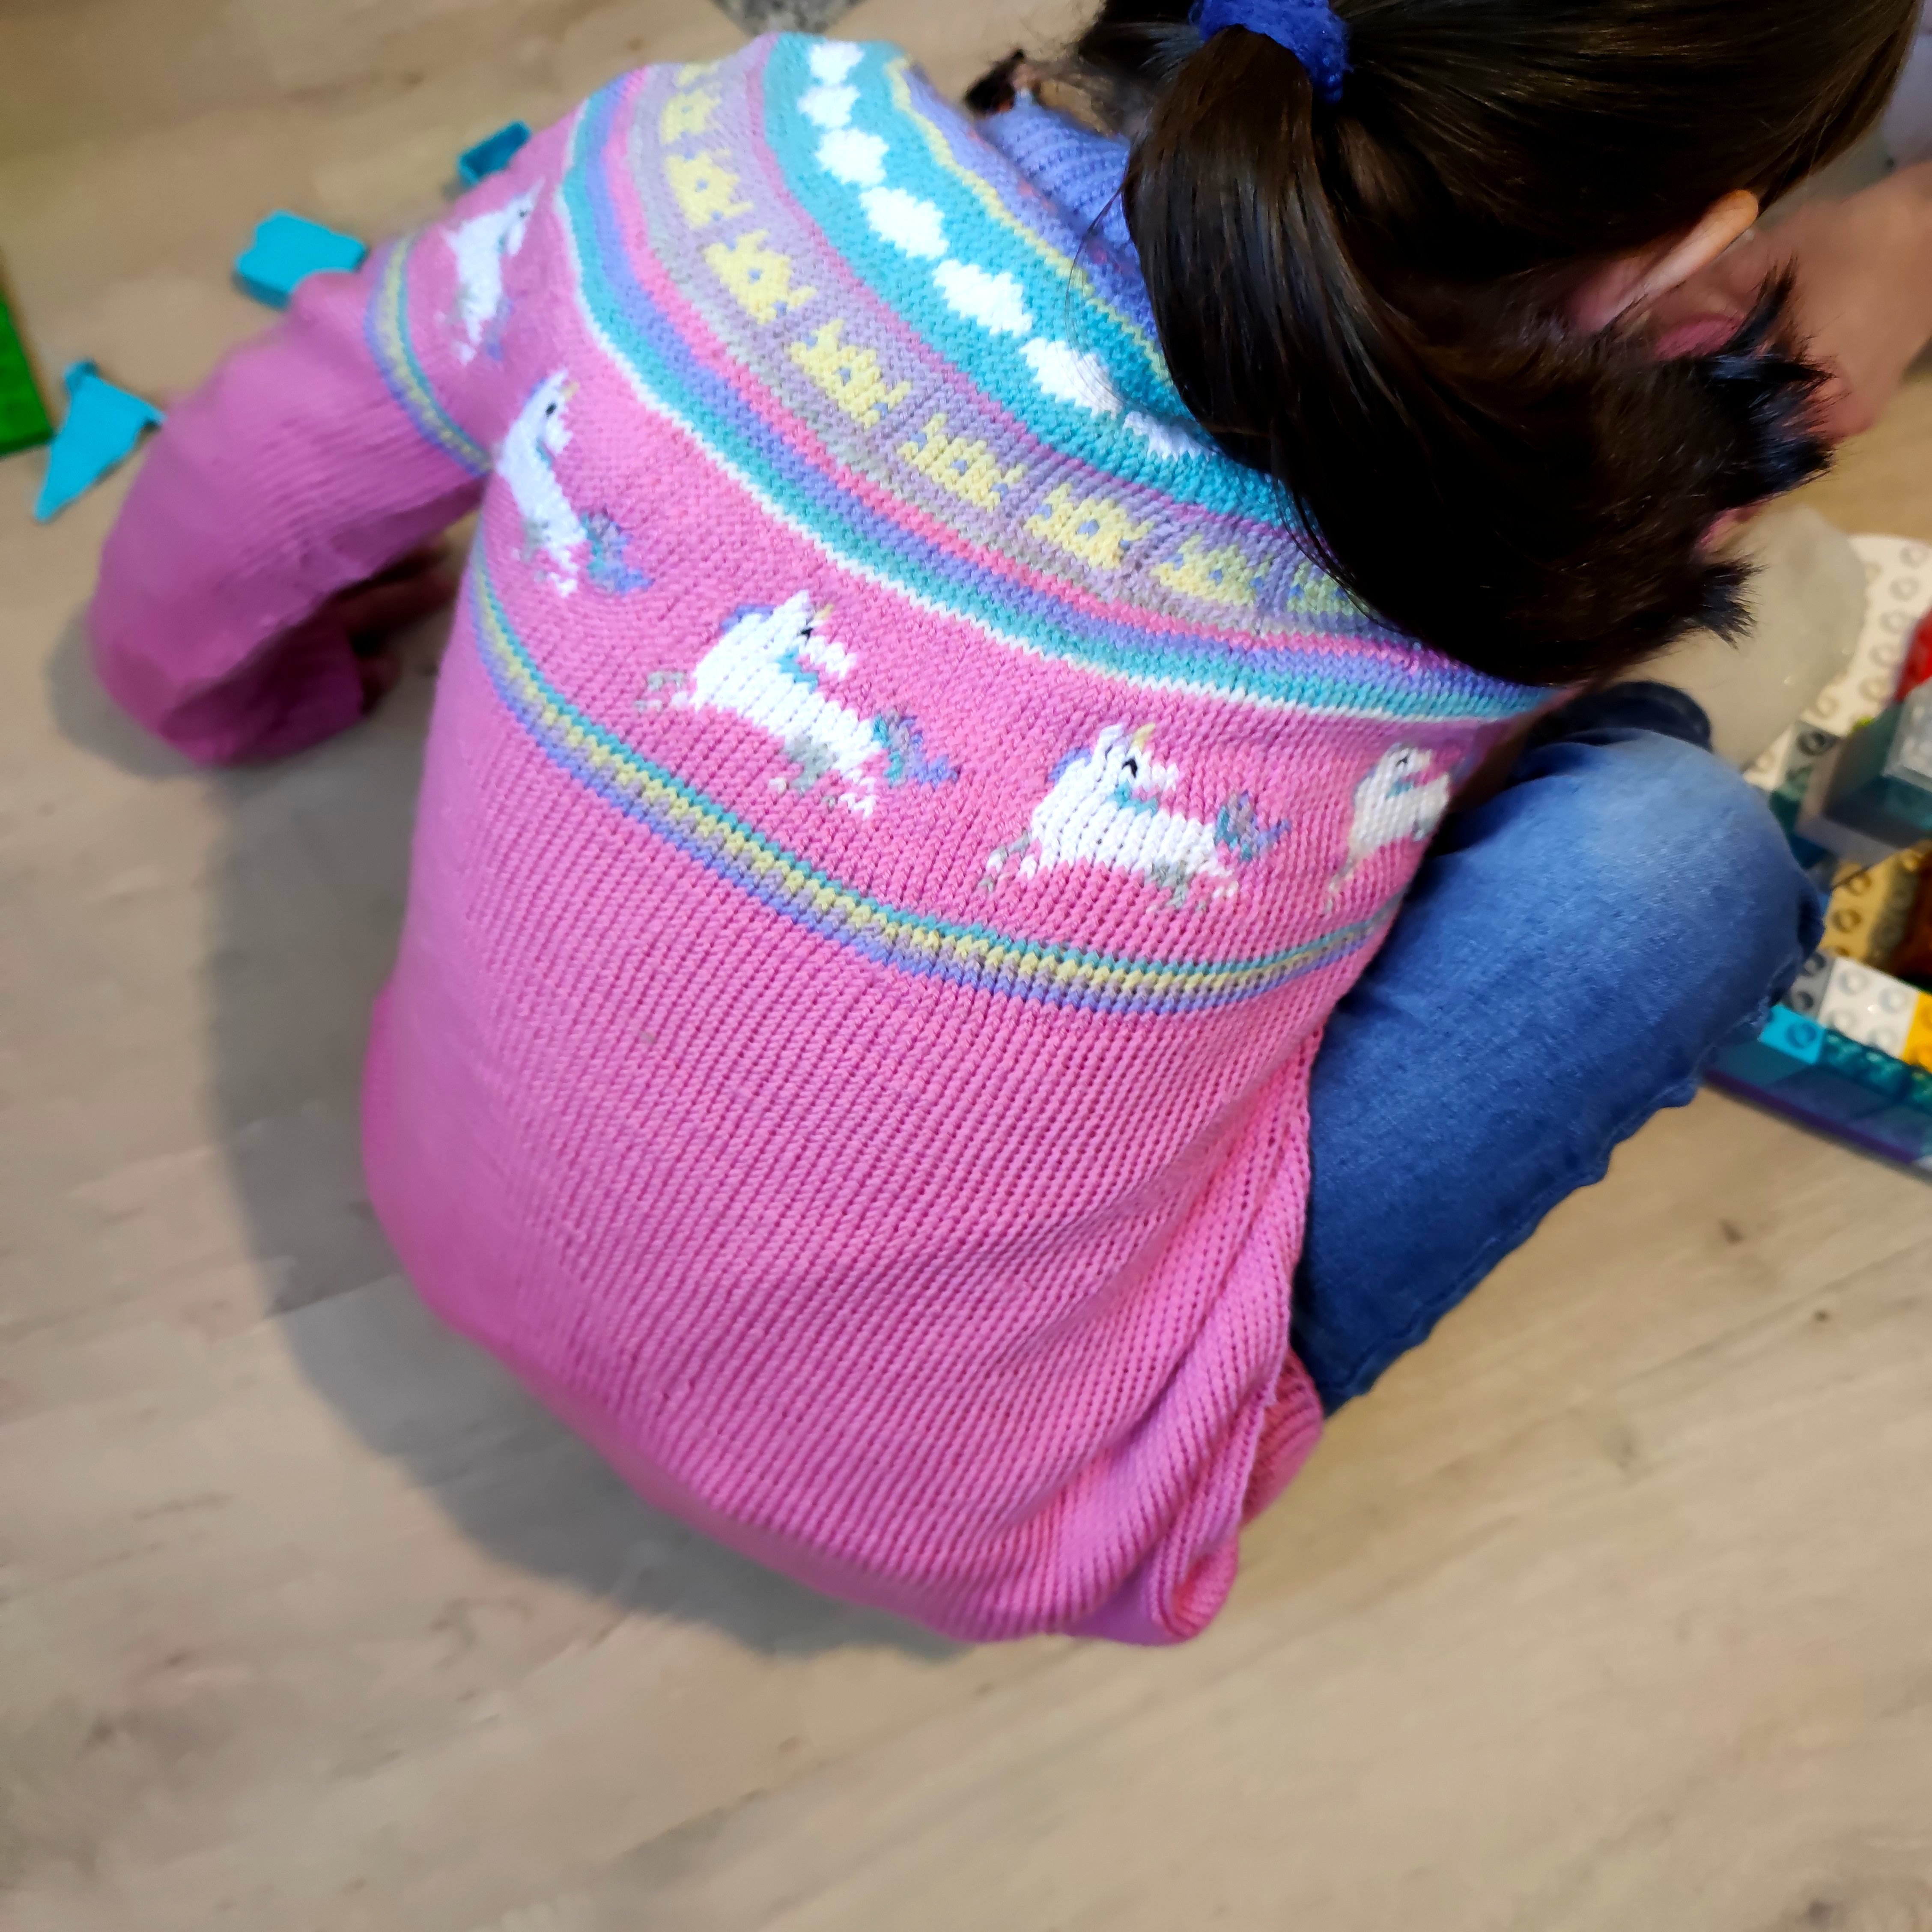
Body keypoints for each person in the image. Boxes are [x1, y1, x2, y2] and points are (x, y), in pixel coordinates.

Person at [87, 0, 1919, 1642]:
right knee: (1683, 856)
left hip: (446, 1199)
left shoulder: (689, 162)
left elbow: (261, 462)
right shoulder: (1523, 556)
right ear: (1682, 257)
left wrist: (217, 691)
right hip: (1010, 1512)